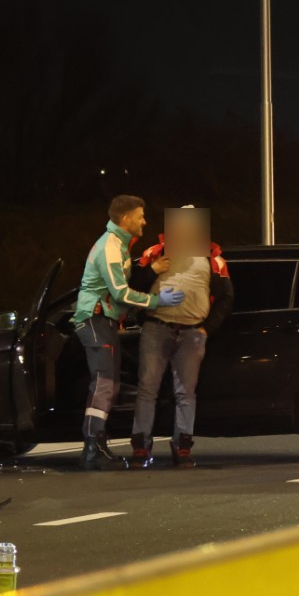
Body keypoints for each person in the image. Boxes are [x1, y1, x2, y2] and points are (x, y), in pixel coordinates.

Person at [72, 196, 184, 471]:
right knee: (104, 384)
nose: (145, 221)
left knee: (109, 385)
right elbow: (120, 292)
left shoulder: (117, 245)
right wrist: (158, 301)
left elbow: (121, 286)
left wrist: (152, 270)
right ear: (126, 219)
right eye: (141, 216)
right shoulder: (110, 247)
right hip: (96, 319)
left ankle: (95, 445)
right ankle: (92, 448)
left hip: (104, 320)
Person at [127, 206, 232, 468]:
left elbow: (225, 297)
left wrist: (206, 328)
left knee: (185, 392)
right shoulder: (155, 253)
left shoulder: (213, 258)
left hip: (191, 333)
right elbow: (131, 286)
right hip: (157, 328)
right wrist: (152, 270)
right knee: (147, 388)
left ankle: (182, 446)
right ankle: (141, 446)